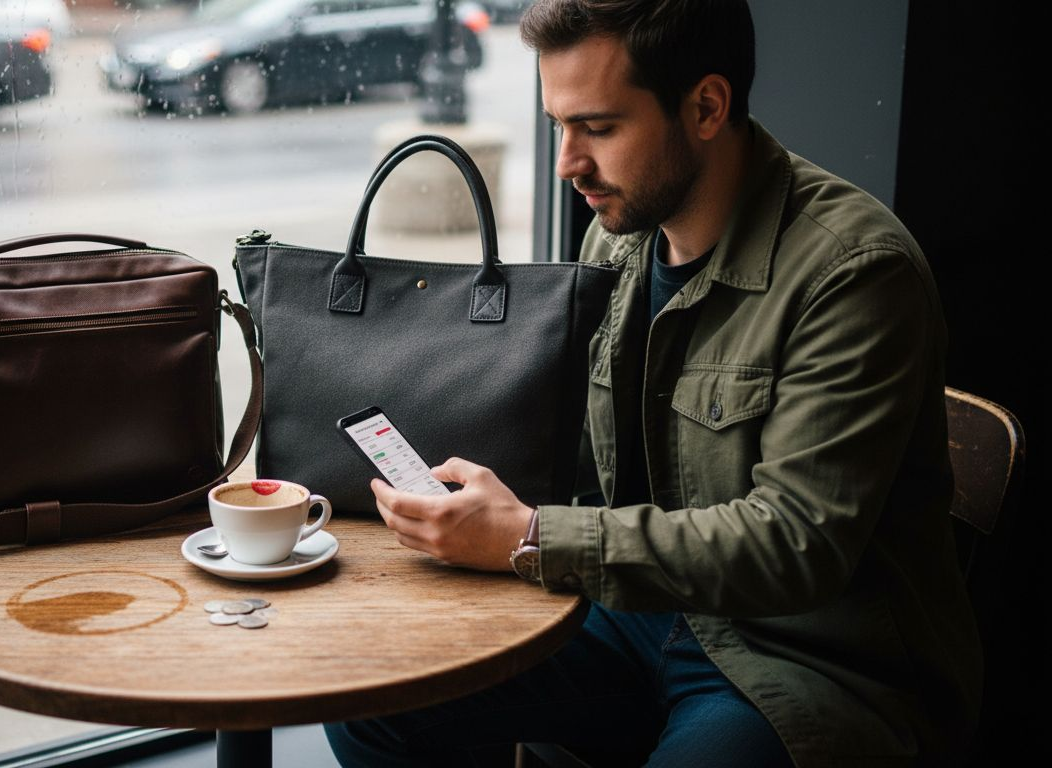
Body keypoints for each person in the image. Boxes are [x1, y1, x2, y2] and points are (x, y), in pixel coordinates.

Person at [324, 0, 983, 765]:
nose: (569, 162)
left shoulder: (855, 274)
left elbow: (795, 544)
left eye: (598, 128)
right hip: (640, 612)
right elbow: (578, 451)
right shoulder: (618, 235)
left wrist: (532, 536)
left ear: (706, 106)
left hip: (807, 665)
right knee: (379, 698)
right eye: (559, 126)